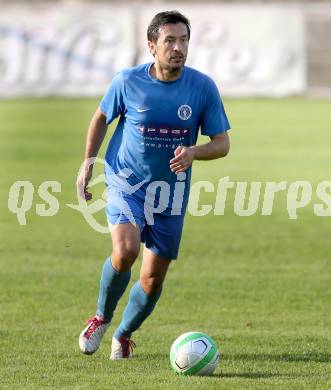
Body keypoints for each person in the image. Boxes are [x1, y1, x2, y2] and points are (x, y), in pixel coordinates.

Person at [77, 10, 230, 360]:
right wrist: (87, 163)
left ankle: (124, 334)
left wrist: (195, 151)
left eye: (184, 40)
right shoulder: (128, 81)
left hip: (170, 194)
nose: (178, 48)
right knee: (126, 251)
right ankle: (100, 317)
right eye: (169, 41)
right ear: (152, 46)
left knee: (151, 281)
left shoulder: (202, 87)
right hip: (125, 182)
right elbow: (101, 117)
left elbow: (222, 143)